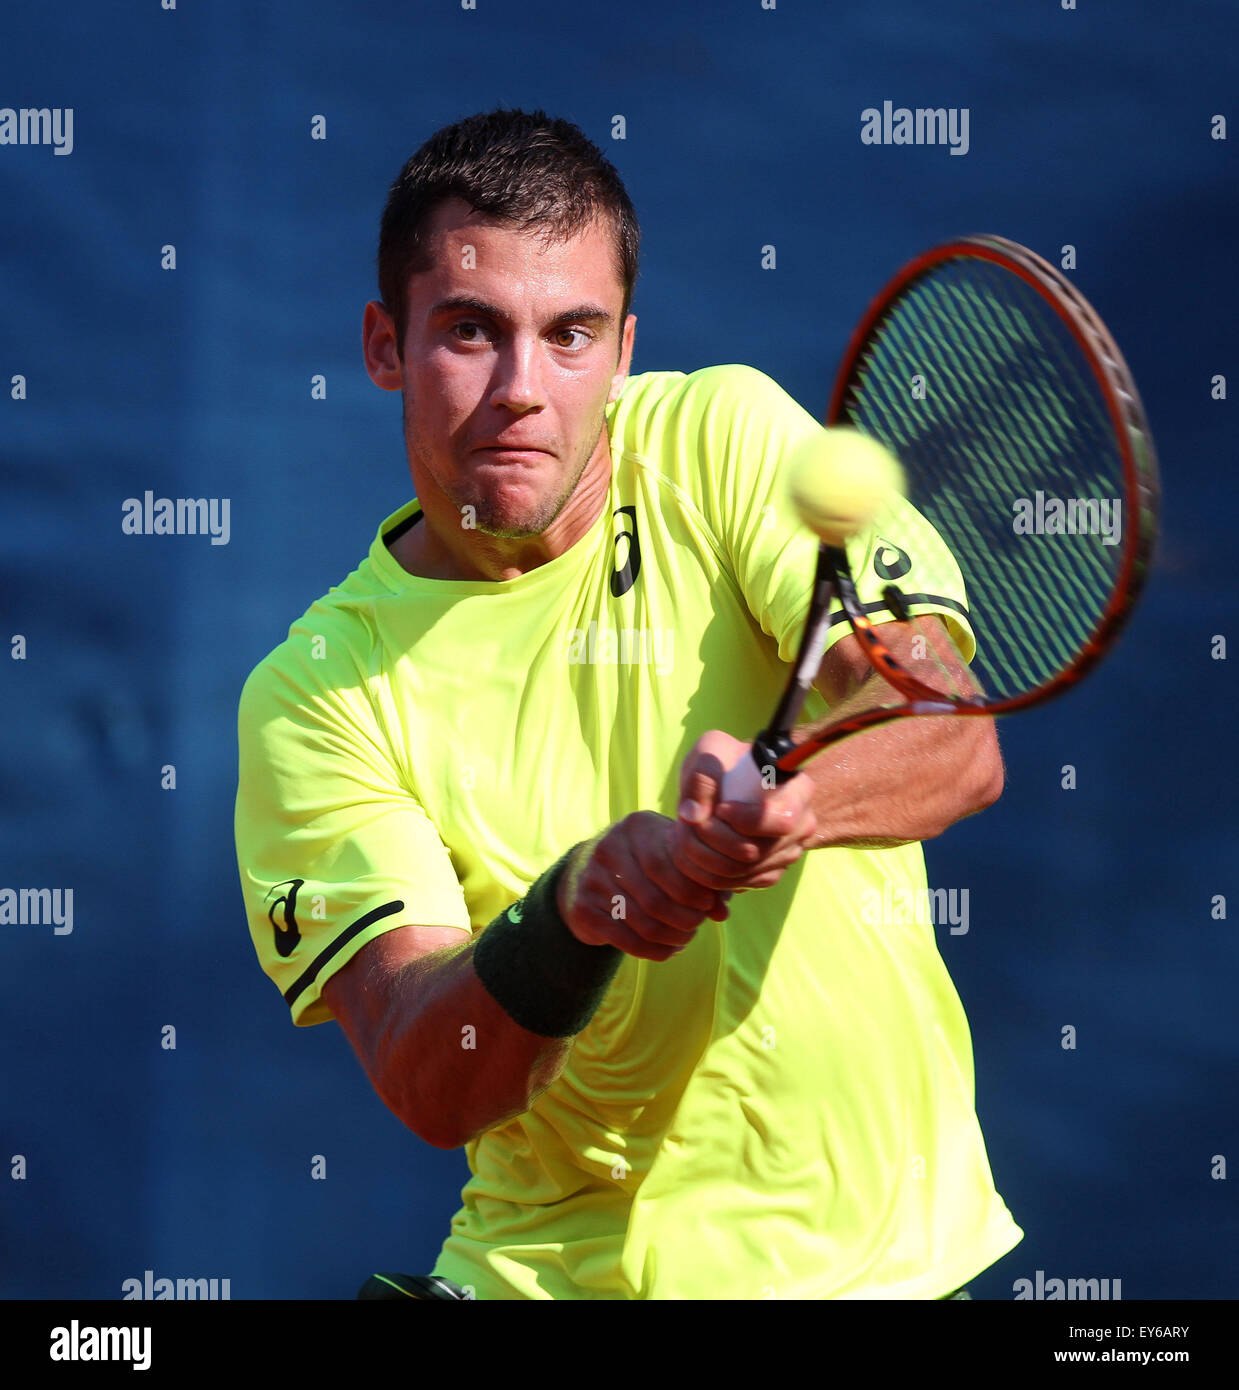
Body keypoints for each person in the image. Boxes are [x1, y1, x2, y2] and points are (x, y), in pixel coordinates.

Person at [234, 107, 1022, 1300]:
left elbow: (953, 740)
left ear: (625, 348)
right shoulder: (315, 694)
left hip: (883, 1270)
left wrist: (788, 810)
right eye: (469, 331)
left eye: (571, 335)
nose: (521, 390)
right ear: (384, 345)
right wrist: (578, 907)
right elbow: (428, 1072)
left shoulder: (724, 442)